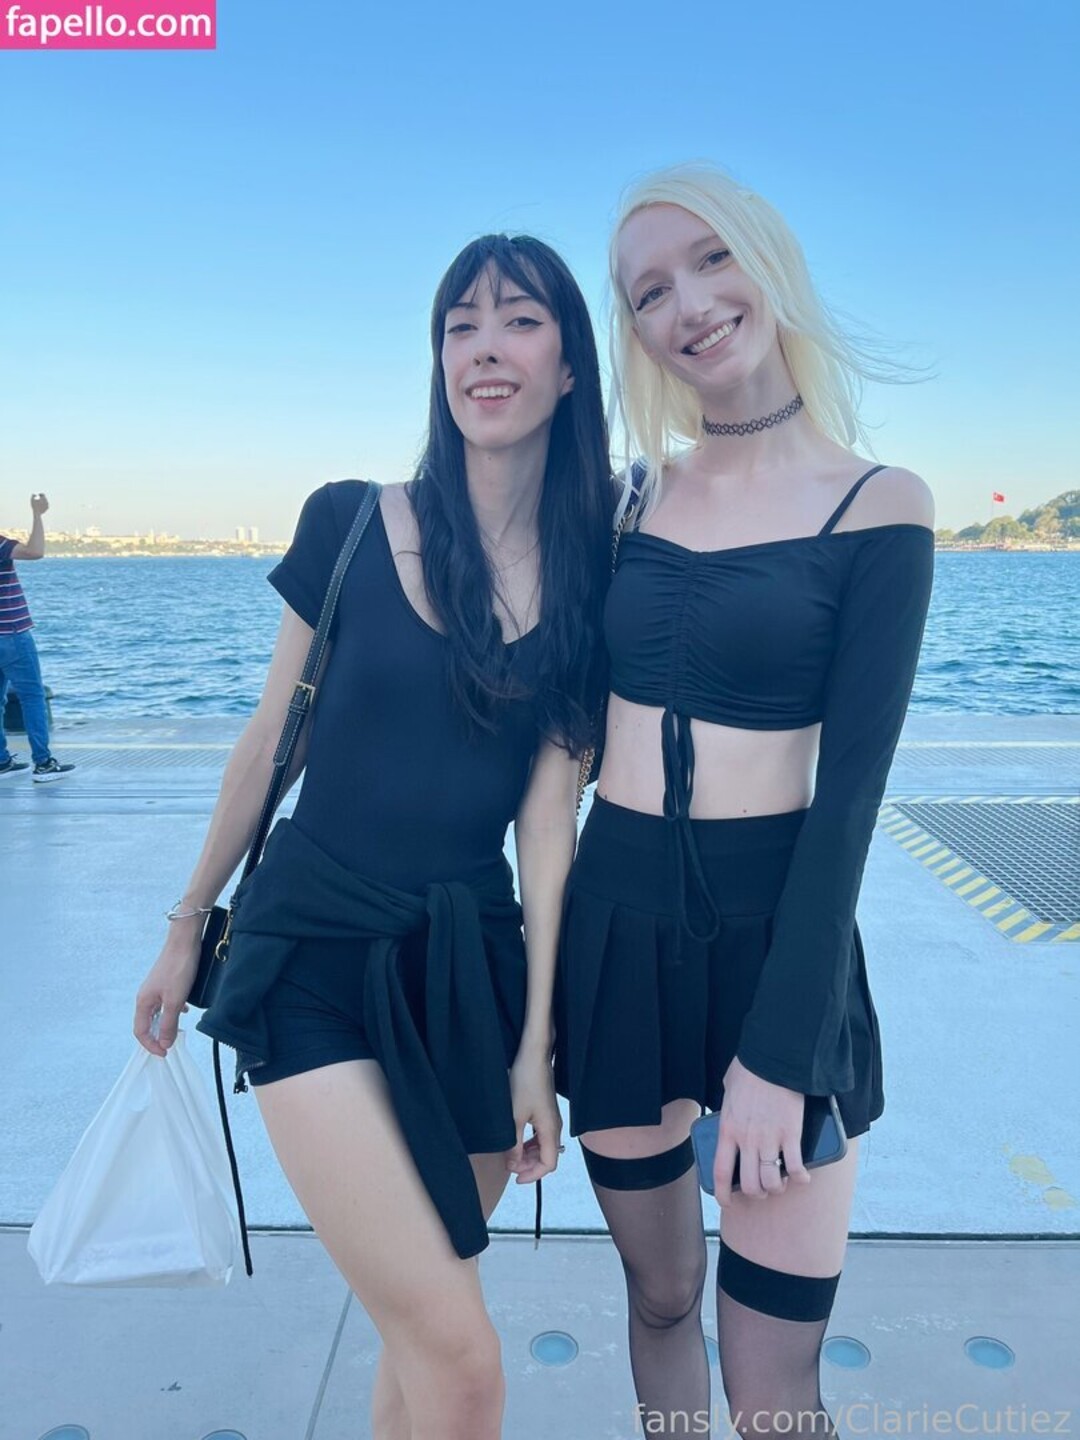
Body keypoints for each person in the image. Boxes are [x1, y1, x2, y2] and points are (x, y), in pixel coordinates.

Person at [133, 234, 612, 1440]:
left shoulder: (590, 578)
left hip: (466, 973)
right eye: (461, 325)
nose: (485, 350)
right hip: (310, 953)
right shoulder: (348, 521)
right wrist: (187, 927)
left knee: (421, 1340)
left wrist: (535, 1045)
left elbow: (547, 823)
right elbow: (270, 742)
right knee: (465, 1361)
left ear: (569, 367)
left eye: (520, 322)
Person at [554, 164, 935, 1438]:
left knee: (774, 1381)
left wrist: (779, 1056)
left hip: (780, 937)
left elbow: (851, 801)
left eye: (712, 259)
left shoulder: (879, 504)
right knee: (662, 1300)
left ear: (767, 260)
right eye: (649, 291)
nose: (690, 304)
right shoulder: (628, 499)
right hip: (615, 930)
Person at [0, 492, 76, 782]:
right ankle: (43, 763)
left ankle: (1, 761)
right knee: (32, 697)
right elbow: (35, 551)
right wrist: (37, 514)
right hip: (12, 634)